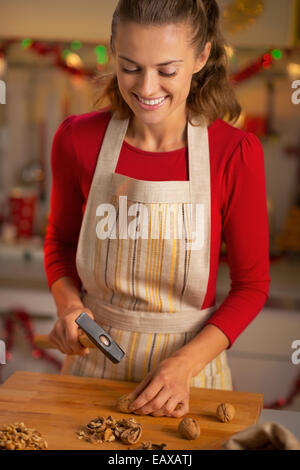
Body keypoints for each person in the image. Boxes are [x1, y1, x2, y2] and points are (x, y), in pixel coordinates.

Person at [44, 0, 271, 418]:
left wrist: (184, 363)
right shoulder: (76, 140)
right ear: (113, 50)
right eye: (130, 66)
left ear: (201, 57)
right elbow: (59, 243)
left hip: (189, 376)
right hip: (91, 366)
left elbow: (252, 285)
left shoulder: (234, 153)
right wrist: (70, 307)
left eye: (167, 70)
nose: (147, 89)